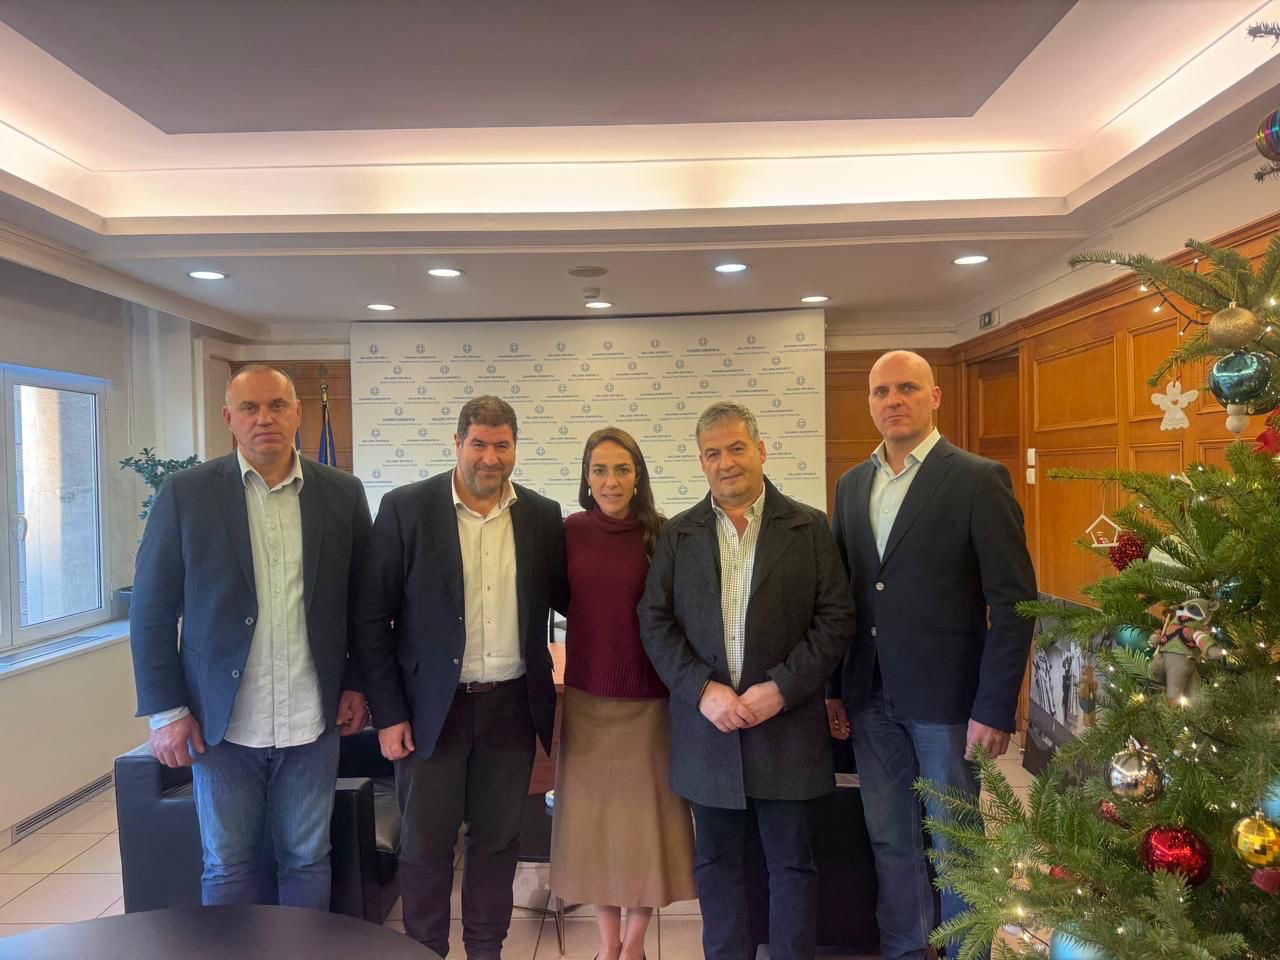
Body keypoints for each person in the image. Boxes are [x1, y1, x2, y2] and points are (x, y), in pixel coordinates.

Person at [129, 364, 372, 909]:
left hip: (312, 718)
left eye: (277, 405)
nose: (265, 418)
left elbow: (361, 602)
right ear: (228, 418)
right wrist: (166, 711)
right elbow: (150, 611)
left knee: (308, 859)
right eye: (250, 408)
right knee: (228, 865)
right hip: (221, 725)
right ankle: (235, 950)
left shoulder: (342, 493)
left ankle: (300, 949)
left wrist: (357, 683)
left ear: (298, 413)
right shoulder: (185, 495)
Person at [826, 350, 1037, 960]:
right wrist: (835, 688)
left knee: (955, 841)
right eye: (881, 391)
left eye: (907, 388)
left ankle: (966, 951)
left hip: (947, 703)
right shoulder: (851, 485)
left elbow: (1014, 603)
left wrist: (995, 707)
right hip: (869, 698)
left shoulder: (977, 479)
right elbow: (842, 596)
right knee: (891, 839)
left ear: (935, 397)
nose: (893, 400)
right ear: (869, 403)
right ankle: (906, 949)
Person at [352, 395, 567, 959]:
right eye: (479, 444)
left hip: (512, 707)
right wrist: (388, 714)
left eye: (502, 445)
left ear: (516, 447)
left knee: (497, 843)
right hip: (430, 712)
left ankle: (485, 951)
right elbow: (371, 619)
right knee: (425, 846)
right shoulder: (406, 508)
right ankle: (424, 951)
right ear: (457, 443)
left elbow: (572, 598)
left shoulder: (541, 515)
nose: (490, 458)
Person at [638, 401, 854, 960]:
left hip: (788, 728)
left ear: (760, 450)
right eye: (712, 453)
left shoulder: (809, 526)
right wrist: (701, 689)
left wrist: (782, 688)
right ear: (701, 462)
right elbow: (654, 621)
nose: (726, 462)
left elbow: (836, 618)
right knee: (716, 864)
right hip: (707, 730)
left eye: (736, 448)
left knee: (791, 864)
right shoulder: (679, 534)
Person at [550, 427, 696, 960]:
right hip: (587, 699)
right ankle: (606, 946)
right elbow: (561, 599)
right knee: (594, 832)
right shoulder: (569, 532)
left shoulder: (663, 534)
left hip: (650, 704)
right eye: (599, 470)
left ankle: (633, 946)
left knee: (642, 831)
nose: (610, 481)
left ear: (638, 476)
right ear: (586, 478)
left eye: (621, 469)